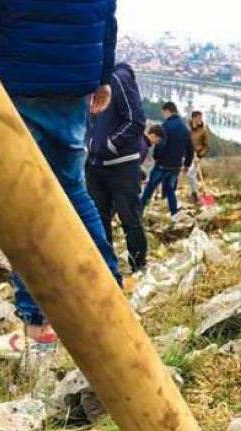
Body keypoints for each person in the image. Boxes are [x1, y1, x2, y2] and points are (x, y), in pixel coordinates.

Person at [0, 0, 123, 352]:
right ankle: (112, 300)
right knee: (71, 187)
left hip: (15, 79)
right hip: (74, 83)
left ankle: (38, 325)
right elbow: (107, 17)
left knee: (22, 203)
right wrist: (103, 77)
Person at [85, 63, 149, 275]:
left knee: (129, 219)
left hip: (121, 165)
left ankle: (138, 267)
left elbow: (136, 121)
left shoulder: (119, 78)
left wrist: (111, 145)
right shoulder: (88, 78)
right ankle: (106, 269)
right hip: (94, 165)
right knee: (99, 218)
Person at [140, 102, 194, 218]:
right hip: (176, 166)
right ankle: (174, 213)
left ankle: (139, 211)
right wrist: (187, 164)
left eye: (163, 112)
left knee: (150, 188)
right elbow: (190, 148)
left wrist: (156, 157)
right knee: (170, 190)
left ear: (167, 111)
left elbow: (161, 145)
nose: (163, 115)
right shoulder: (185, 129)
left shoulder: (166, 126)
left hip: (162, 165)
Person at [188, 110, 211, 203]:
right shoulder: (189, 129)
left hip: (197, 155)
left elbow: (207, 145)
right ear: (194, 118)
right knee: (191, 174)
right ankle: (194, 194)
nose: (201, 119)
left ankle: (195, 194)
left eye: (201, 118)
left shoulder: (203, 131)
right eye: (199, 118)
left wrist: (200, 155)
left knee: (190, 174)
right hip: (189, 154)